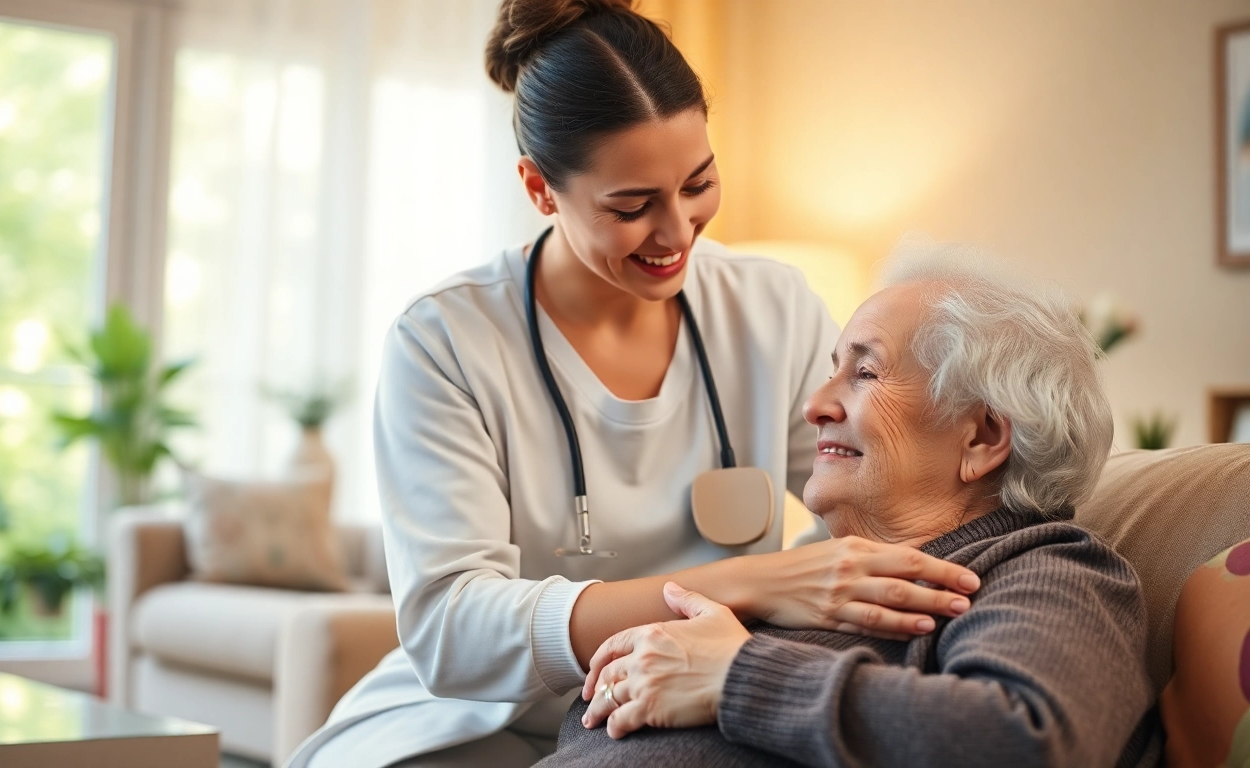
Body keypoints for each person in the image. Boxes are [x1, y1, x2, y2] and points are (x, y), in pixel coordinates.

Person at [287, 4, 985, 767]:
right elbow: (451, 628)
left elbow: (871, 498)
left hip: (681, 707)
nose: (679, 231)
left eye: (698, 184)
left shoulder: (770, 307)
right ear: (539, 189)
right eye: (631, 206)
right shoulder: (445, 341)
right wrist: (749, 583)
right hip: (472, 725)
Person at [545, 252, 1164, 767]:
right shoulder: (813, 580)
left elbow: (1030, 743)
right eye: (830, 372)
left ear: (981, 437)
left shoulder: (1046, 567)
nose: (815, 405)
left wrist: (738, 675)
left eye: (864, 373)